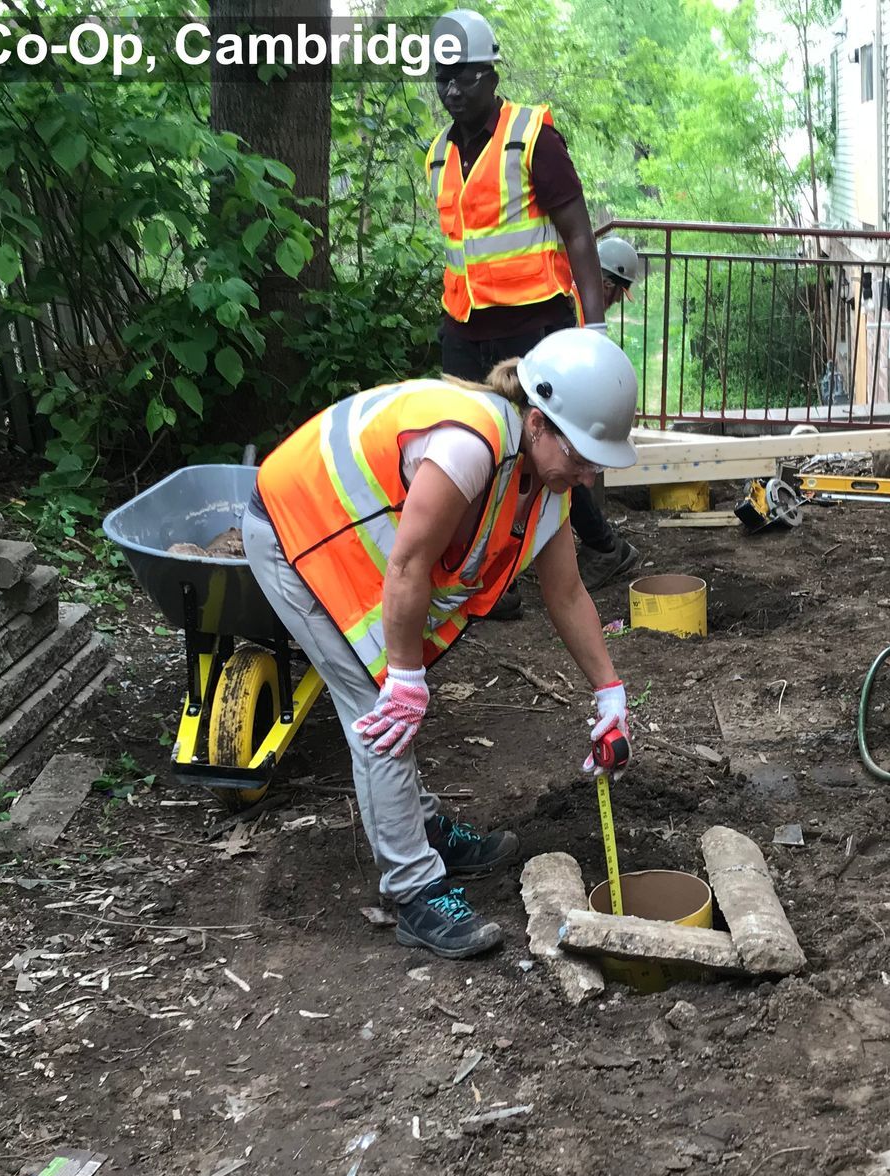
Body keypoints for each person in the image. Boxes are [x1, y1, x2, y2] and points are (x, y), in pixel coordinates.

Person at [241, 329, 641, 961]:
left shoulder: (544, 483)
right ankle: (413, 890)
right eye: (583, 456)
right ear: (538, 422)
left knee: (393, 696)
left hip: (368, 545)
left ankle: (418, 825)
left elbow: (566, 595)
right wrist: (402, 674)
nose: (589, 477)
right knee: (382, 710)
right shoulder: (468, 446)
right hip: (298, 530)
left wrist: (610, 691)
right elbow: (408, 567)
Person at [425, 8, 639, 610]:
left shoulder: (532, 137)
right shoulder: (438, 154)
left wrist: (593, 326)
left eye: (465, 76)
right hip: (464, 327)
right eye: (443, 78)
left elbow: (577, 235)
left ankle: (596, 551)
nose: (452, 89)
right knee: (469, 447)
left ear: (491, 74)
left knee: (550, 449)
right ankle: (497, 577)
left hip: (533, 326)